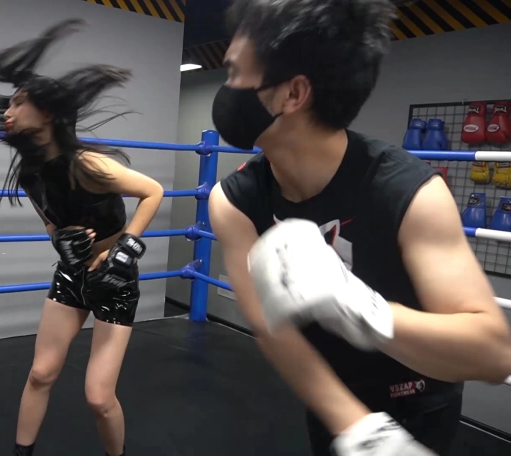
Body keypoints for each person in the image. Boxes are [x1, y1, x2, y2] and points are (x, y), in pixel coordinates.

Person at [207, 1, 511, 455]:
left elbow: (493, 353)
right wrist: (358, 428)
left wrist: (358, 307)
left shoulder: (408, 191)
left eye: (234, 72)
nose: (226, 88)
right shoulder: (236, 202)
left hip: (421, 399)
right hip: (334, 402)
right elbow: (272, 328)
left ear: (292, 94)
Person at [0, 18, 164, 456]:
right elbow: (51, 223)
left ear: (48, 113)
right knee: (41, 374)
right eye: (9, 102)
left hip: (115, 282)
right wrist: (60, 242)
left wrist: (124, 252)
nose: (7, 111)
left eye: (19, 102)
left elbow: (152, 191)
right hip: (71, 276)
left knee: (99, 398)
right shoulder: (30, 174)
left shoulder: (88, 165)